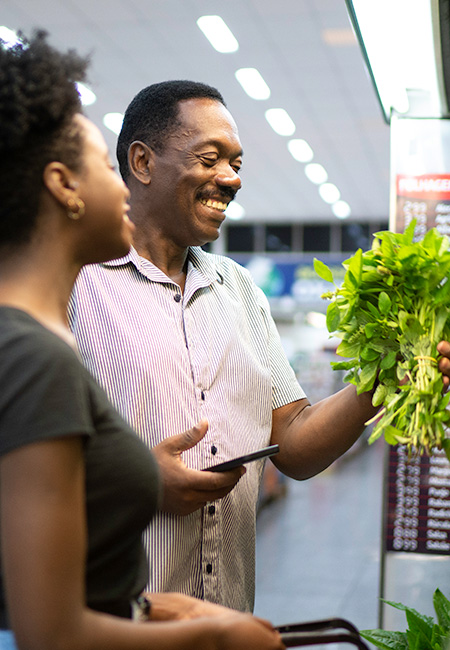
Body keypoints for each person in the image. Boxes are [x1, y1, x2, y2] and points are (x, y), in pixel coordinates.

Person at [69, 79, 450, 613]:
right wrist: (135, 479)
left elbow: (291, 443)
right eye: (210, 158)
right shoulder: (75, 287)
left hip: (227, 619)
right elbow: (22, 456)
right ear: (142, 161)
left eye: (237, 164)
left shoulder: (241, 292)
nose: (230, 179)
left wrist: (385, 380)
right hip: (112, 623)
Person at [0, 31, 285, 650]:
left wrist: (152, 607)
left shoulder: (234, 289)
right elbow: (48, 629)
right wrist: (212, 639)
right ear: (63, 187)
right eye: (104, 166)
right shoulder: (32, 354)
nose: (230, 179)